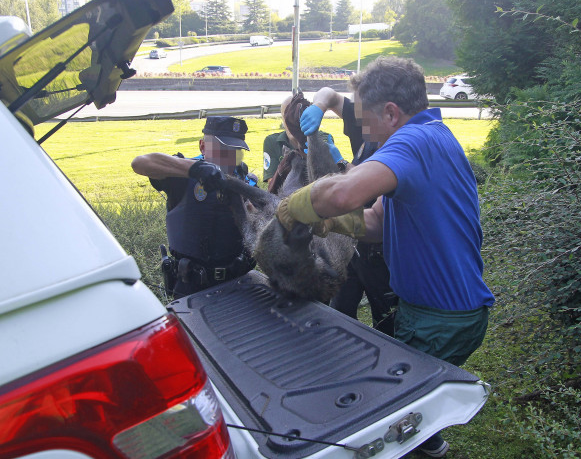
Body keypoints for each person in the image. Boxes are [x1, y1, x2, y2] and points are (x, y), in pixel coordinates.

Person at [277, 57, 494, 458]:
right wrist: (333, 224)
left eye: (366, 120)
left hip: (439, 319)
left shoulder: (411, 143)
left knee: (389, 416)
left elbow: (341, 194)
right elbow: (376, 220)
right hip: (445, 311)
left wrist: (295, 206)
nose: (363, 130)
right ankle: (428, 443)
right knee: (414, 405)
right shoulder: (433, 136)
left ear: (392, 113)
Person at [299, 86, 397, 336]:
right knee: (340, 310)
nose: (358, 120)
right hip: (353, 241)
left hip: (379, 246)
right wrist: (319, 106)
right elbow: (329, 94)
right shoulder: (365, 119)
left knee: (386, 322)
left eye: (364, 115)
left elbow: (366, 188)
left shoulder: (397, 143)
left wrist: (342, 164)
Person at [132, 116, 256, 299]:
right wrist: (194, 169)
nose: (230, 157)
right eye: (223, 149)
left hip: (238, 282)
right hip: (192, 286)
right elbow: (140, 163)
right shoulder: (182, 175)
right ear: (203, 146)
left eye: (236, 151)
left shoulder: (245, 180)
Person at [263, 93, 342, 194]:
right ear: (282, 120)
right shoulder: (272, 141)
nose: (291, 123)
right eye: (287, 118)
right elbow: (272, 184)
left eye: (296, 118)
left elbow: (329, 176)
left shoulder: (324, 138)